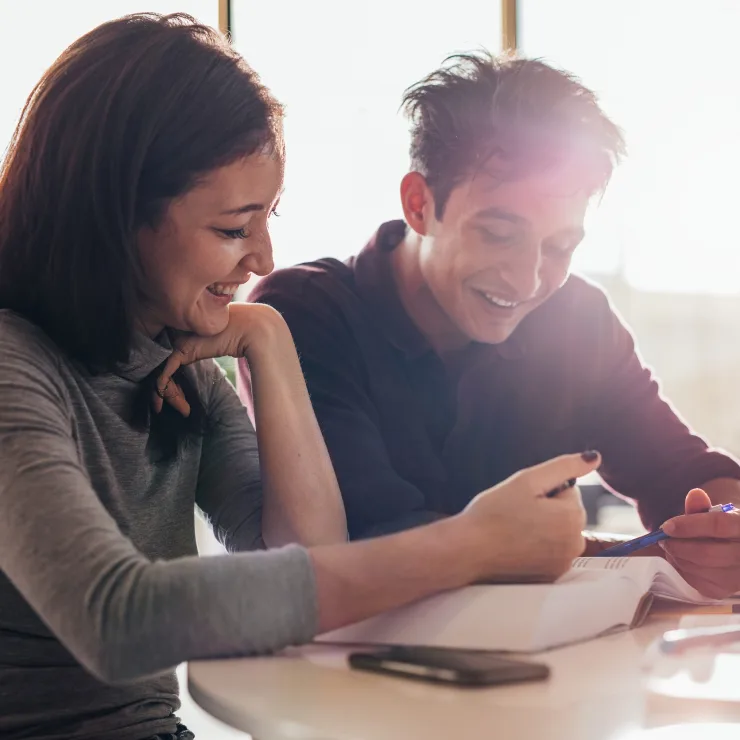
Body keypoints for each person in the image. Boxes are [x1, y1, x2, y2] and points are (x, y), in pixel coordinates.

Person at [0, 15, 596, 740]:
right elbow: (118, 619)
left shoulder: (185, 374)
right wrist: (472, 543)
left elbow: (306, 567)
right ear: (116, 214)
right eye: (232, 228)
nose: (262, 258)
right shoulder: (13, 365)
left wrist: (270, 341)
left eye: (268, 220)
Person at [243, 52, 740, 599]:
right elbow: (367, 539)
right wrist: (624, 553)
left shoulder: (578, 318)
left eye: (560, 246)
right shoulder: (306, 314)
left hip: (549, 671)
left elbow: (681, 470)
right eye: (499, 234)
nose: (529, 280)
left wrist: (724, 525)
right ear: (419, 203)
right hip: (336, 671)